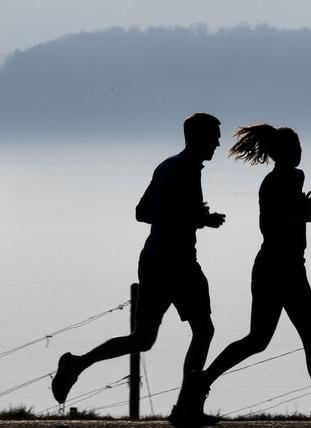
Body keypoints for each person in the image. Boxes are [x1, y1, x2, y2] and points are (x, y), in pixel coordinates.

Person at [51, 113, 226, 427]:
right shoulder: (184, 170)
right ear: (198, 137)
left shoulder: (167, 166)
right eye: (214, 135)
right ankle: (186, 407)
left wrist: (190, 215)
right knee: (203, 331)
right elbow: (159, 215)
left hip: (154, 259)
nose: (218, 141)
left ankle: (77, 363)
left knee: (143, 339)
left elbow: (142, 213)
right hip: (178, 262)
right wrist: (200, 219)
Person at [199, 124, 311, 427]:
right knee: (271, 340)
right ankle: (203, 381)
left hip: (284, 267)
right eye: (296, 147)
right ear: (284, 153)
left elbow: (289, 215)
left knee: (279, 339)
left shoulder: (293, 178)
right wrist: (300, 215)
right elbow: (270, 229)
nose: (301, 152)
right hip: (278, 268)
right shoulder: (274, 182)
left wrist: (302, 212)